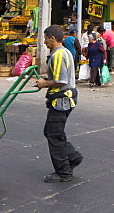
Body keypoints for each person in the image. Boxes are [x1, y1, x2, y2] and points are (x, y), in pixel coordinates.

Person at [34, 24, 83, 183]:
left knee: (54, 134)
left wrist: (44, 84)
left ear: (53, 38)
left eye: (46, 39)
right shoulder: (65, 52)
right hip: (65, 99)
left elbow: (61, 81)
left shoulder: (57, 55)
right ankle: (73, 157)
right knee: (51, 131)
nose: (45, 43)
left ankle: (63, 172)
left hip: (62, 100)